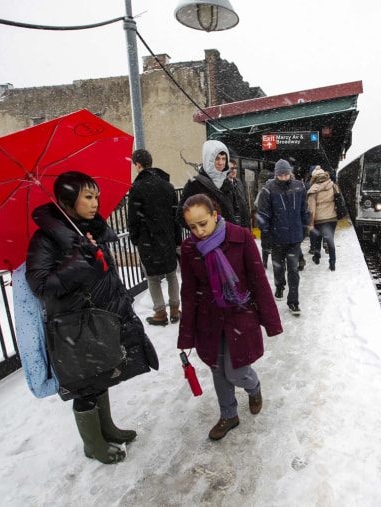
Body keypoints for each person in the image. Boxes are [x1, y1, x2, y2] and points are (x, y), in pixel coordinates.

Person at [25, 171, 159, 464]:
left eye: (96, 196)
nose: (96, 202)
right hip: (75, 324)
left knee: (101, 375)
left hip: (99, 318)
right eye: (88, 196)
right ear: (67, 201)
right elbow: (41, 285)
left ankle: (106, 428)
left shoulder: (87, 229)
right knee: (83, 384)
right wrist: (77, 261)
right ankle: (93, 444)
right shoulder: (45, 239)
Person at [177, 194, 282, 440]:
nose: (199, 231)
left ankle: (253, 387)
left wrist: (270, 320)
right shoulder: (189, 248)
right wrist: (186, 334)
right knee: (217, 369)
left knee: (236, 371)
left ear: (215, 215)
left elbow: (258, 279)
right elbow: (189, 292)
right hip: (209, 320)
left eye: (203, 223)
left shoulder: (240, 236)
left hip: (239, 316)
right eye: (192, 227)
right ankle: (229, 414)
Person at [128, 149, 181, 326]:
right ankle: (175, 310)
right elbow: (176, 216)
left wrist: (135, 238)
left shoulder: (136, 188)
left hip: (147, 240)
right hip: (167, 238)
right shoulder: (167, 185)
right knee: (171, 274)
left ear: (137, 165)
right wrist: (176, 240)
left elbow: (133, 219)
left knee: (153, 277)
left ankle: (160, 312)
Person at [256, 159, 310, 315]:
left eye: (287, 174)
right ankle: (279, 286)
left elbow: (304, 209)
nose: (284, 177)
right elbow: (263, 213)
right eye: (281, 175)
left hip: (294, 238)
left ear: (290, 173)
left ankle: (293, 301)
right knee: (278, 268)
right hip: (277, 237)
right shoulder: (268, 190)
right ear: (276, 174)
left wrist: (305, 226)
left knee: (293, 269)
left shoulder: (299, 187)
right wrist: (265, 234)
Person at [178, 140, 251, 230]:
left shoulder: (228, 183)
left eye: (223, 158)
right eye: (217, 158)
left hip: (227, 240)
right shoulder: (194, 185)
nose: (221, 163)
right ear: (208, 159)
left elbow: (236, 212)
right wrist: (202, 229)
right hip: (206, 241)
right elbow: (181, 216)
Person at [307, 167, 338, 271]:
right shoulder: (332, 185)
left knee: (317, 238)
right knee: (330, 240)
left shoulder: (313, 189)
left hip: (319, 219)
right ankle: (332, 263)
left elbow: (311, 209)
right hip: (332, 217)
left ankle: (317, 257)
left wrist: (311, 223)